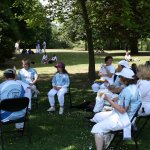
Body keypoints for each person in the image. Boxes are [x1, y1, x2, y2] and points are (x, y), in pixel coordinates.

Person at [91, 68, 141, 150]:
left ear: (124, 79)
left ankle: (102, 144)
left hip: (123, 118)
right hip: (125, 116)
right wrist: (117, 98)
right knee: (97, 117)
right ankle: (107, 136)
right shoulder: (134, 87)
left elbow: (122, 110)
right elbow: (128, 100)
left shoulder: (127, 91)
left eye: (120, 76)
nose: (119, 78)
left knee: (96, 128)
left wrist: (109, 100)